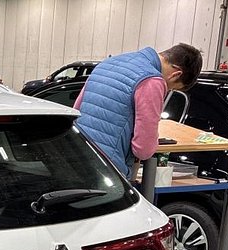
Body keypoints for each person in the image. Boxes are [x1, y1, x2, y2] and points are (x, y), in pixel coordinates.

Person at [73, 44, 203, 177]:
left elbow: (76, 110)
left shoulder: (108, 63)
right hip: (108, 169)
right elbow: (143, 149)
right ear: (176, 74)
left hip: (76, 155)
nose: (168, 90)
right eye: (171, 87)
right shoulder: (152, 80)